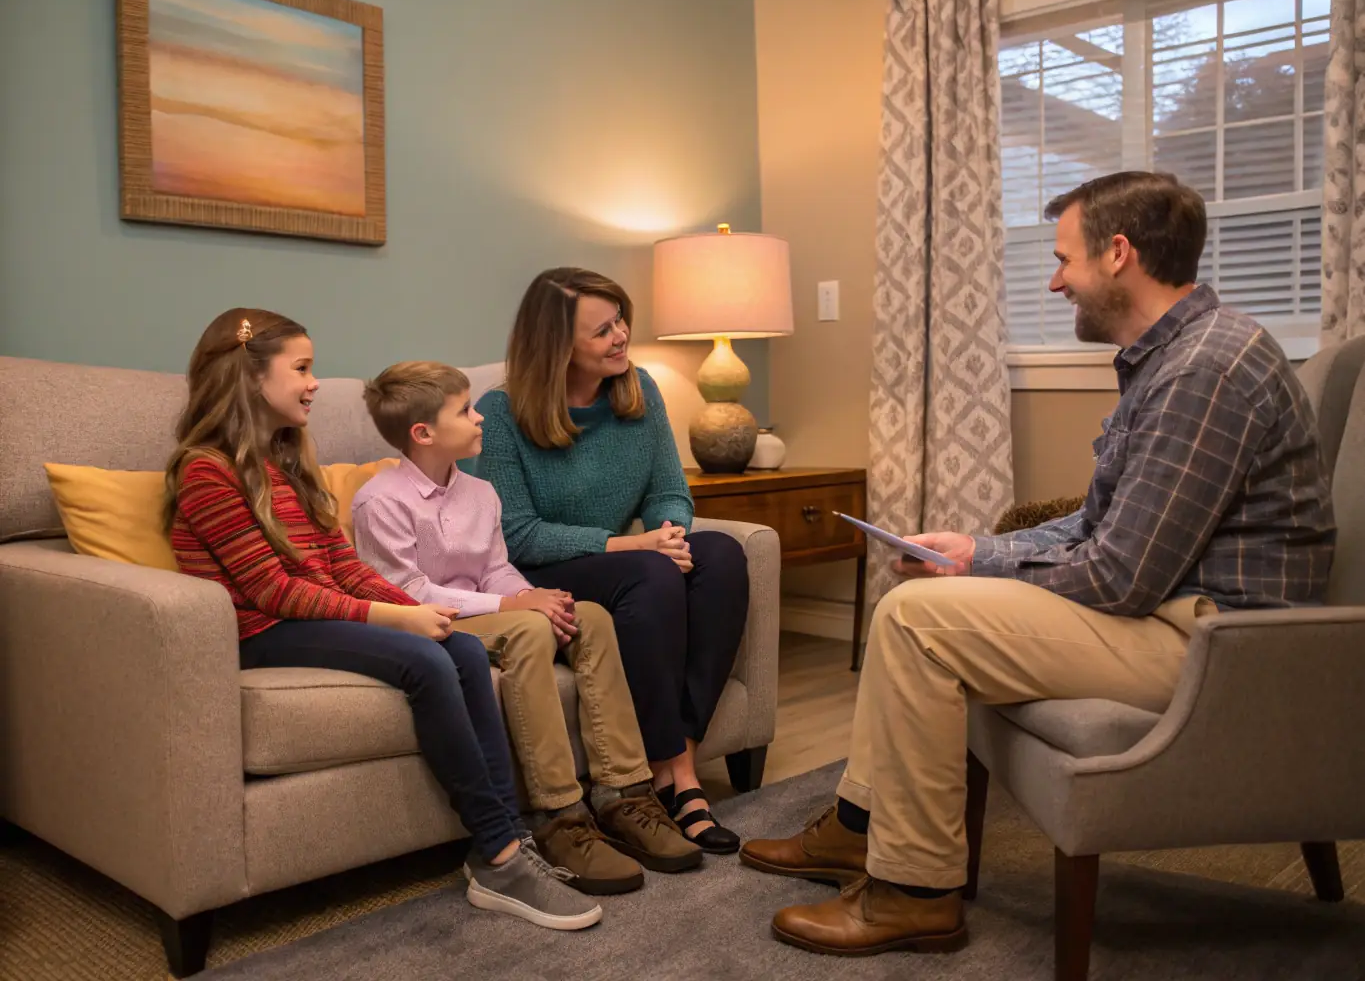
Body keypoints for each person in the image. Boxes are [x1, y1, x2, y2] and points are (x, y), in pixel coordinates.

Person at [740, 171, 1336, 956]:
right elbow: (1099, 523)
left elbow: (1121, 576)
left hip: (1221, 646)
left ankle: (914, 893)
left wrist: (971, 577)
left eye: (1063, 260)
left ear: (1117, 253)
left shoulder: (1206, 369)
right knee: (921, 605)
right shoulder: (1177, 356)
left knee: (921, 620)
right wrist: (977, 550)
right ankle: (859, 828)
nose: (1054, 281)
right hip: (1178, 613)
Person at [164, 309, 601, 932]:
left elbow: (342, 566)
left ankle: (502, 846)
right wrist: (393, 623)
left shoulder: (287, 461)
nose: (316, 383)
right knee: (422, 658)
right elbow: (271, 590)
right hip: (259, 631)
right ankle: (503, 855)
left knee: (463, 650)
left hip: (309, 617)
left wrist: (417, 609)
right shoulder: (206, 469)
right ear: (249, 376)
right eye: (302, 369)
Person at [351, 360, 703, 894]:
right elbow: (409, 591)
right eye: (465, 411)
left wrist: (531, 596)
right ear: (423, 433)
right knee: (529, 630)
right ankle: (560, 816)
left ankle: (625, 795)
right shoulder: (380, 501)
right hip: (432, 622)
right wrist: (515, 606)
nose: (480, 419)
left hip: (490, 607)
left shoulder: (480, 493)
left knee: (592, 617)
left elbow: (495, 565)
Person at [466, 268, 750, 854]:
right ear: (557, 346)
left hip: (626, 560)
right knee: (649, 572)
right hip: (542, 571)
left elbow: (669, 490)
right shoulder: (500, 415)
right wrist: (632, 547)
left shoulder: (638, 387)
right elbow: (517, 535)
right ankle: (674, 778)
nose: (621, 335)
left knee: (720, 555)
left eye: (620, 319)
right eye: (602, 331)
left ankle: (682, 766)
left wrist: (668, 534)